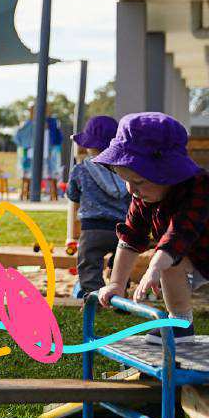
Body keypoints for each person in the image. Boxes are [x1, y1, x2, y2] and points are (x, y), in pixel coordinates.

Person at [96, 113, 209, 346]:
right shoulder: (144, 195)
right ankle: (180, 325)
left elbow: (180, 232)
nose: (131, 190)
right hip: (189, 254)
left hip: (196, 244)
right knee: (170, 262)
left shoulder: (199, 187)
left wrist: (154, 266)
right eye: (125, 180)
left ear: (168, 173)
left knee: (165, 258)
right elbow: (130, 236)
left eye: (138, 181)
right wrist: (117, 283)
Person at [66, 115, 129, 296]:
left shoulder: (81, 169)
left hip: (92, 229)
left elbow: (73, 195)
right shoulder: (124, 169)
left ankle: (93, 297)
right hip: (122, 229)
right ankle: (119, 296)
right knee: (121, 263)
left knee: (89, 263)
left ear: (88, 144)